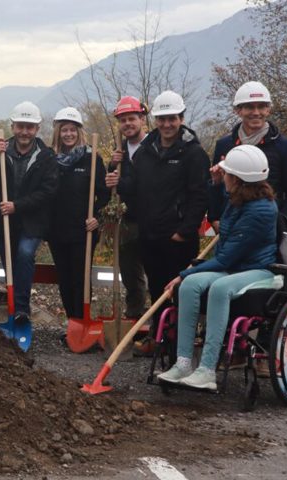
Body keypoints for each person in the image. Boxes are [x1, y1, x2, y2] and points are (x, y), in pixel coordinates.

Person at [158, 145, 277, 390]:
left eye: (226, 174)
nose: (223, 177)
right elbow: (223, 209)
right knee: (190, 286)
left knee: (219, 288)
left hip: (258, 270)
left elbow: (225, 261)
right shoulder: (241, 198)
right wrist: (214, 185)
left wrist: (182, 273)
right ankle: (182, 363)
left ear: (238, 179)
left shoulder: (261, 210)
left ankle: (207, 369)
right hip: (234, 268)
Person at [107, 90, 210, 352]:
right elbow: (135, 188)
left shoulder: (193, 153)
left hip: (178, 236)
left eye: (172, 118)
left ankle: (180, 343)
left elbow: (200, 196)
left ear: (181, 118)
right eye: (162, 119)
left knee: (180, 291)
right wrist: (116, 178)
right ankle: (160, 337)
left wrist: (185, 231)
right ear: (155, 120)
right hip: (150, 233)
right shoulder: (146, 151)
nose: (166, 124)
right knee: (156, 288)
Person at [0, 101, 58, 324]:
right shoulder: (2, 153)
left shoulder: (46, 156)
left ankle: (22, 309)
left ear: (37, 128)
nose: (25, 131)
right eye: (20, 126)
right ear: (13, 126)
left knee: (24, 254)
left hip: (32, 222)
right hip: (6, 223)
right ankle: (12, 308)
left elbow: (48, 192)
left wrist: (18, 205)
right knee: (10, 267)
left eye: (30, 127)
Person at [47, 107, 109, 320]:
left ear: (79, 131)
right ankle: (72, 322)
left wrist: (97, 218)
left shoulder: (91, 159)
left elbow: (105, 195)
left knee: (80, 278)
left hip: (84, 230)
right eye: (64, 130)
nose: (69, 134)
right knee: (64, 277)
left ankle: (83, 320)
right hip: (57, 230)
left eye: (73, 130)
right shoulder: (50, 159)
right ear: (58, 132)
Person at [210, 81, 287, 229]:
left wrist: (282, 222)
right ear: (238, 110)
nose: (256, 112)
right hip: (232, 226)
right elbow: (216, 183)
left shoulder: (284, 146)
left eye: (262, 106)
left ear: (268, 110)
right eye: (250, 107)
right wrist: (214, 218)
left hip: (269, 228)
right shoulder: (224, 145)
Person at [110, 96, 149, 319]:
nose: (127, 124)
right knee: (130, 273)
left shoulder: (153, 146)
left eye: (131, 118)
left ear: (141, 119)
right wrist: (113, 165)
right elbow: (112, 182)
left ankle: (157, 323)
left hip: (151, 218)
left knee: (155, 270)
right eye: (123, 120)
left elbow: (146, 182)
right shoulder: (121, 150)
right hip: (128, 218)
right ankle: (133, 317)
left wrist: (121, 182)